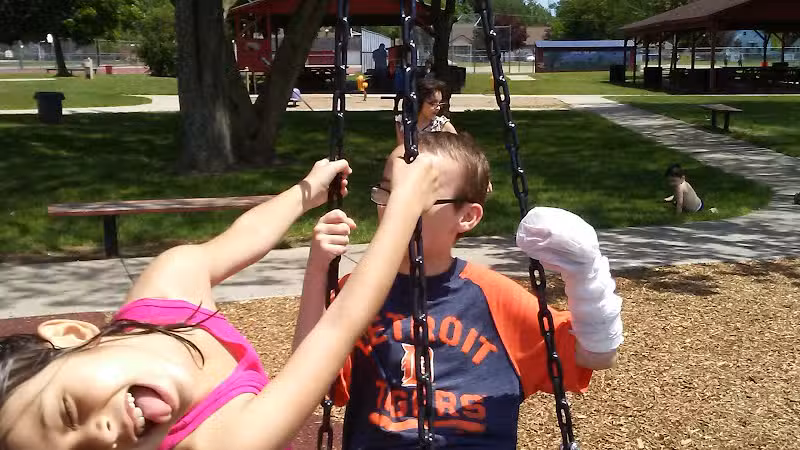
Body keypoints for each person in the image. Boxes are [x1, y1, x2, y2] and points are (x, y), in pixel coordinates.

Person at [0, 157, 441, 450]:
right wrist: (405, 207)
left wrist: (308, 191)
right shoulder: (220, 441)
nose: (101, 438)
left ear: (73, 333)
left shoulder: (164, 291)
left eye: (68, 410)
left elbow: (239, 241)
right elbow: (339, 325)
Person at [294, 132, 622, 448]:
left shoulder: (493, 297)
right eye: (387, 192)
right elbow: (304, 387)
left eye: (414, 198)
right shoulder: (357, 293)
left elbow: (596, 354)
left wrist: (587, 273)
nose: (393, 209)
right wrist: (317, 271)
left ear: (466, 216)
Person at [394, 78, 457, 146]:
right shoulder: (403, 123)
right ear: (419, 102)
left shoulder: (442, 125)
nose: (438, 108)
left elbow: (459, 150)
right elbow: (401, 149)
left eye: (439, 103)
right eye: (432, 104)